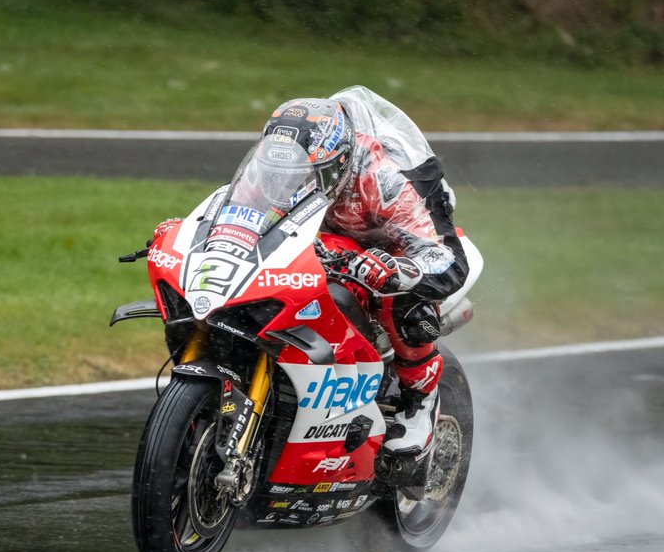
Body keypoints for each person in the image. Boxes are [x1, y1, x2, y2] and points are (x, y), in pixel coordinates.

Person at [157, 86, 469, 456]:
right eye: (280, 169)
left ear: (339, 163)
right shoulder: (271, 170)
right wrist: (190, 234)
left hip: (389, 243)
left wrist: (398, 269)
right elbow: (236, 217)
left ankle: (420, 401)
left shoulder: (382, 179)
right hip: (318, 238)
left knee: (402, 301)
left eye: (305, 172)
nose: (289, 180)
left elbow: (445, 259)